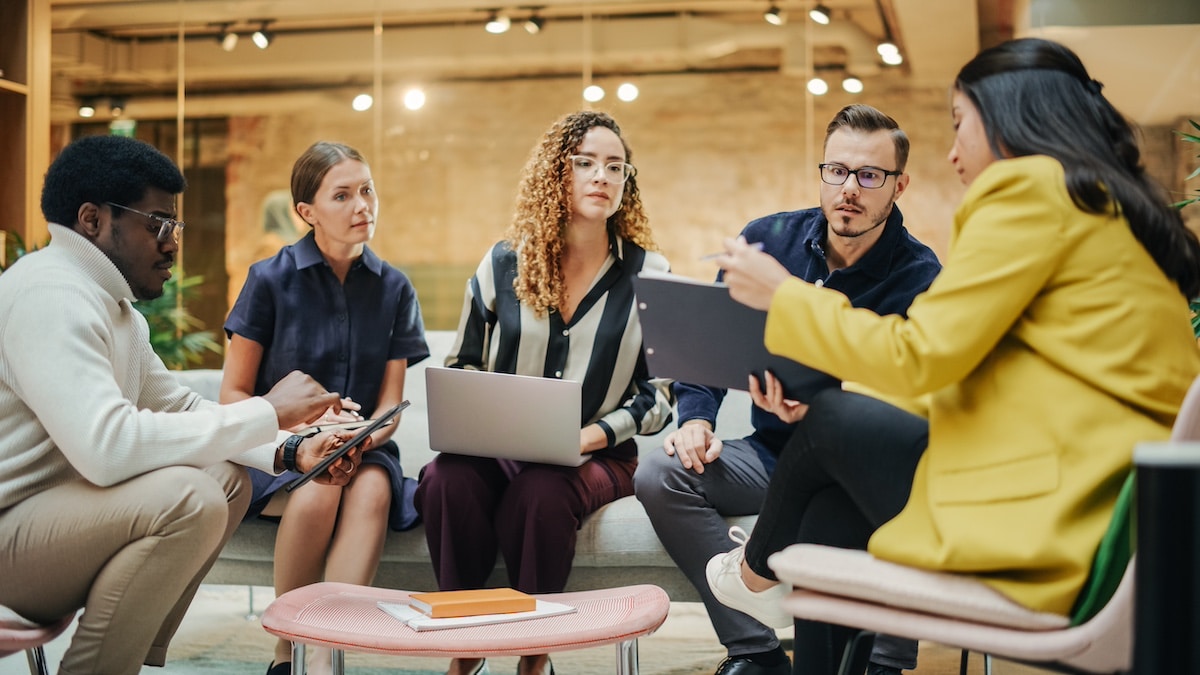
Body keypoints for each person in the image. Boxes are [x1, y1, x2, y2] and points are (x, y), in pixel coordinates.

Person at [709, 37, 1200, 674]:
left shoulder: (1029, 191)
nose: (952, 151)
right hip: (1109, 509)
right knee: (832, 489)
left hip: (1054, 515)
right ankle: (774, 589)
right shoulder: (1103, 203)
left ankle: (752, 575)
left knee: (831, 420)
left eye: (959, 124)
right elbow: (975, 367)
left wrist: (784, 295)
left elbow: (922, 357)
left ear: (1006, 118)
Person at [0, 134, 364, 675]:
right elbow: (107, 448)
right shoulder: (50, 295)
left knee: (225, 476)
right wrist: (269, 409)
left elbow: (179, 406)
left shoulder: (114, 306)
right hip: (13, 537)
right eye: (157, 224)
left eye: (175, 226)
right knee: (190, 495)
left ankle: (128, 656)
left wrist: (292, 451)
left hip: (56, 524)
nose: (173, 244)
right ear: (92, 220)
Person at [633, 104, 941, 675]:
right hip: (772, 452)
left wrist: (822, 407)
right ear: (821, 172)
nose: (850, 189)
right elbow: (712, 347)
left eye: (870, 176)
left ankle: (882, 661)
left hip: (852, 469)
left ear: (900, 185)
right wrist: (696, 419)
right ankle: (755, 649)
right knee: (660, 473)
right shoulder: (767, 241)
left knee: (866, 499)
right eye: (837, 171)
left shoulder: (920, 276)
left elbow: (909, 401)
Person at [414, 110, 673, 675]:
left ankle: (534, 652)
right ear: (555, 174)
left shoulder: (650, 275)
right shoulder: (502, 263)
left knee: (543, 491)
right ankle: (465, 639)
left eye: (614, 166)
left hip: (596, 456)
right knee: (442, 479)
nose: (601, 176)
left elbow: (658, 397)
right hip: (498, 450)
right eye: (584, 163)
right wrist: (487, 421)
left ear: (627, 182)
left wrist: (591, 434)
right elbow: (461, 364)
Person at [221, 141, 429, 675]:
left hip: (367, 447)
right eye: (343, 195)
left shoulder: (396, 288)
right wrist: (302, 439)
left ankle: (324, 658)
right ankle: (287, 650)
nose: (363, 205)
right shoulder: (268, 280)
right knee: (318, 493)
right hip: (284, 451)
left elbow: (391, 403)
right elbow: (234, 396)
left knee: (375, 488)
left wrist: (363, 436)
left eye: (367, 190)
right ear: (307, 212)